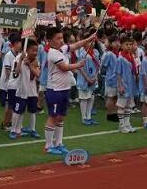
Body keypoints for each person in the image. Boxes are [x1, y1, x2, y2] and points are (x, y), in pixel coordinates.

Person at [44, 27, 95, 156]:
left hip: (64, 88)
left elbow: (75, 45)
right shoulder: (52, 53)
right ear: (50, 40)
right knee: (53, 117)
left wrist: (89, 39)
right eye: (58, 38)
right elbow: (64, 67)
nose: (61, 41)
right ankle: (49, 145)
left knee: (61, 117)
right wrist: (78, 65)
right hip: (54, 90)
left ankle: (59, 143)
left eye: (62, 38)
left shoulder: (62, 49)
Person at [9, 39, 41, 139]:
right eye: (33, 50)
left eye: (36, 51)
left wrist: (29, 65)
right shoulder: (18, 58)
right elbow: (15, 73)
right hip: (21, 90)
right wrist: (21, 61)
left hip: (32, 91)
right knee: (18, 111)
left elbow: (37, 74)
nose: (35, 53)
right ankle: (13, 130)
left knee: (32, 111)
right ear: (26, 49)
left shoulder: (35, 61)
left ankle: (32, 129)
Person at [116, 36, 138, 133]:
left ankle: (127, 124)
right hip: (124, 85)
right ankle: (121, 125)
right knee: (121, 105)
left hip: (131, 84)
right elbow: (118, 73)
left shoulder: (131, 56)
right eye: (126, 44)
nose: (129, 46)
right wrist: (120, 85)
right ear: (121, 45)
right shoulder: (120, 58)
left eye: (130, 44)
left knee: (129, 105)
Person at [0, 33, 22, 130]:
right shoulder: (9, 55)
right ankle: (5, 123)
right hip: (8, 84)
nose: (21, 45)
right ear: (15, 43)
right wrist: (14, 78)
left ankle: (11, 122)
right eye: (20, 43)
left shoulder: (19, 55)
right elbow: (8, 71)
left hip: (14, 84)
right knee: (9, 105)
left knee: (13, 104)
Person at [76, 42, 98, 126]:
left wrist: (95, 76)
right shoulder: (82, 53)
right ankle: (83, 118)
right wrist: (87, 78)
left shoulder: (95, 52)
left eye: (93, 42)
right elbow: (80, 67)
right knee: (84, 98)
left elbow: (98, 65)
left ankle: (89, 117)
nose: (91, 44)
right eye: (90, 42)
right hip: (84, 79)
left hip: (93, 78)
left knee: (91, 97)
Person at [101, 35, 120, 122]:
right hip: (111, 78)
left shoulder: (117, 53)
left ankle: (115, 112)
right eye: (115, 42)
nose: (117, 44)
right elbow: (104, 66)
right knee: (110, 97)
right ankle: (110, 114)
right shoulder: (109, 54)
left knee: (115, 96)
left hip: (117, 79)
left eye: (118, 42)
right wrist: (106, 76)